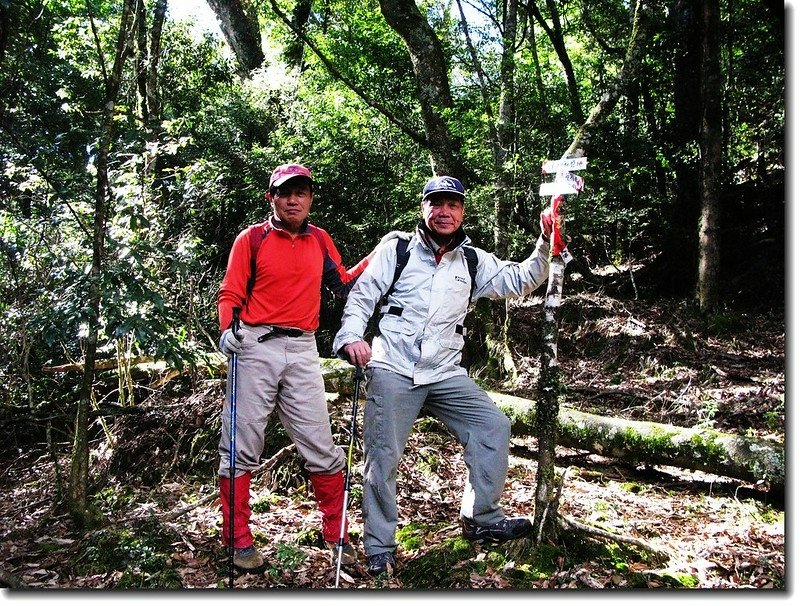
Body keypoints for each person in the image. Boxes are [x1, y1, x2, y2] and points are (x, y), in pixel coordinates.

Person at [332, 175, 555, 577]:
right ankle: (379, 546)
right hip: (393, 367)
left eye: (452, 204)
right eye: (436, 203)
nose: (444, 211)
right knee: (383, 459)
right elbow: (363, 295)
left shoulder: (471, 260)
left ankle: (481, 516)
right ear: (424, 208)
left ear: (463, 211)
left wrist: (546, 243)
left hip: (444, 371)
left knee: (493, 426)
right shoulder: (397, 249)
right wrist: (351, 337)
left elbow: (519, 280)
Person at [216, 163, 373, 574]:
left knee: (321, 444)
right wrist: (228, 331)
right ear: (272, 197)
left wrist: (380, 254)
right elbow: (231, 292)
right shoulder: (251, 239)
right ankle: (237, 540)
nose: (293, 199)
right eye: (285, 193)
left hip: (303, 347)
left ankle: (336, 533)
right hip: (254, 345)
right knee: (241, 443)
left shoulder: (319, 239)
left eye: (301, 193)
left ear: (310, 199)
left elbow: (342, 283)